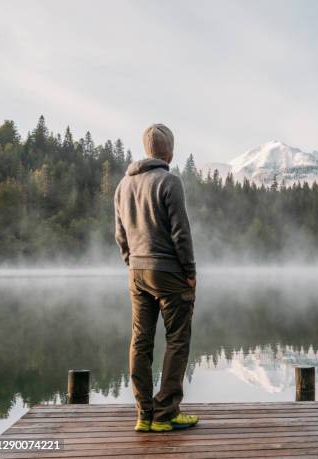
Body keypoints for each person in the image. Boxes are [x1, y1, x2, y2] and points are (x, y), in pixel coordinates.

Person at [114, 123, 198, 432]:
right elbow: (181, 233)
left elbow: (119, 235)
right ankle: (166, 413)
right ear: (169, 152)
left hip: (137, 272)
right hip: (168, 273)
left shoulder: (123, 186)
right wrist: (190, 273)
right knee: (177, 339)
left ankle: (143, 414)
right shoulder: (169, 181)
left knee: (140, 341)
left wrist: (131, 263)